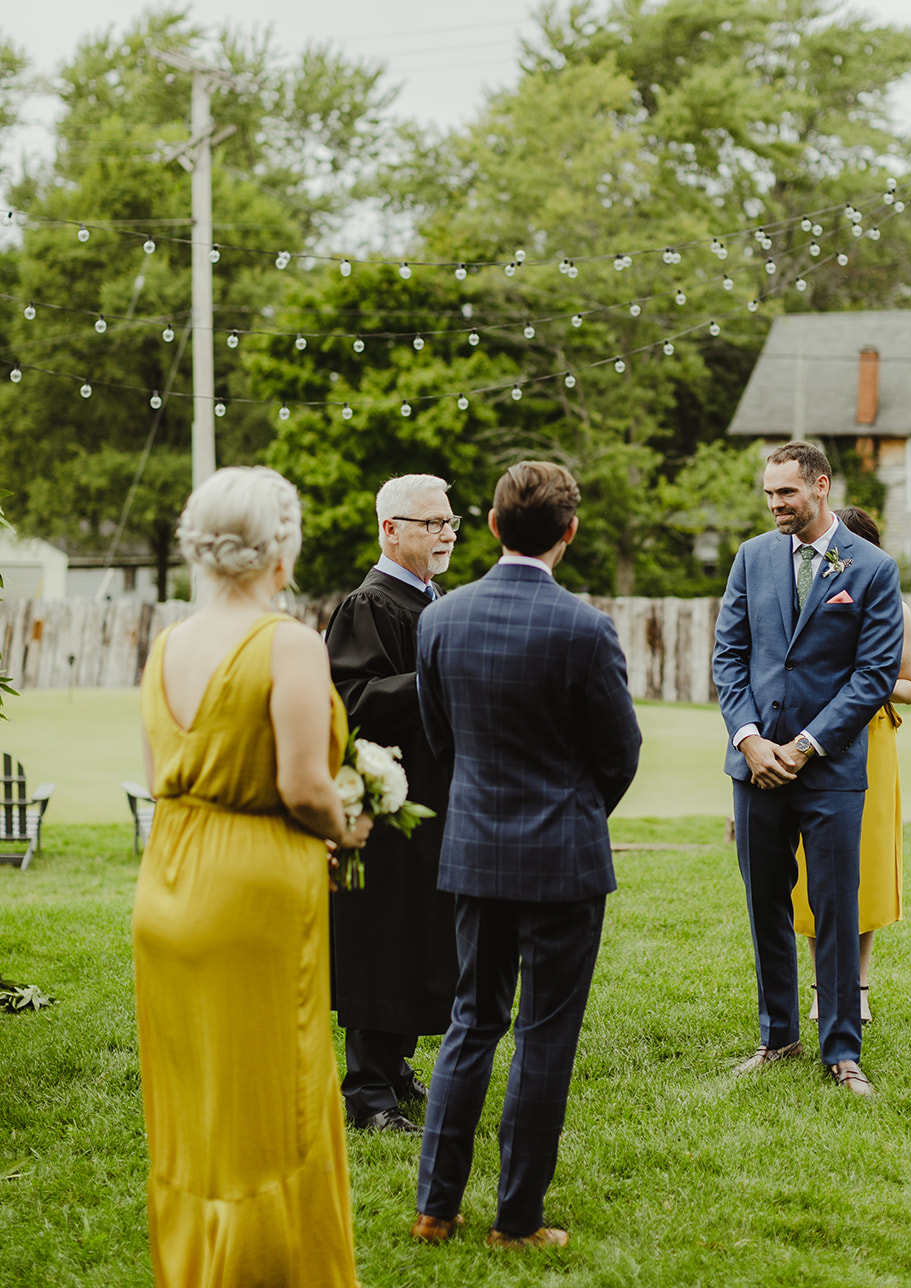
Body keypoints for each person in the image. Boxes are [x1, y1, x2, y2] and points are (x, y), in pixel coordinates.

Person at [132, 466, 369, 1288]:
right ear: (281, 547)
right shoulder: (287, 642)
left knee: (198, 1106)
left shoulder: (167, 645)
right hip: (251, 894)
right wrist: (350, 825)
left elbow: (166, 771)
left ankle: (199, 1266)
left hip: (167, 887)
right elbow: (304, 786)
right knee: (275, 1100)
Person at [410, 460, 642, 1249]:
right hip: (563, 861)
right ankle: (515, 1222)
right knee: (543, 1034)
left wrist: (482, 808)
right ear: (569, 534)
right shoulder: (584, 627)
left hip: (474, 851)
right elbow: (620, 753)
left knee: (470, 1023)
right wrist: (575, 813)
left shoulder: (440, 620)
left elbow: (441, 744)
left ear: (491, 527)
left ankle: (434, 1209)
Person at [712, 442, 903, 1098]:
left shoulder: (872, 569)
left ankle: (841, 1051)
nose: (773, 505)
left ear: (819, 486)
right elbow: (728, 655)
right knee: (764, 902)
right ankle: (777, 1036)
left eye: (785, 494)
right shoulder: (751, 557)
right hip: (755, 768)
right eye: (767, 494)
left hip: (828, 770)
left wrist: (803, 746)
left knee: (834, 907)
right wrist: (748, 741)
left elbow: (874, 675)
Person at [324, 473, 460, 1133]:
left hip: (439, 796)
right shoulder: (368, 606)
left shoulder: (440, 601)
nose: (444, 534)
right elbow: (348, 701)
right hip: (386, 802)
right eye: (430, 523)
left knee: (423, 936)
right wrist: (436, 675)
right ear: (390, 529)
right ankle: (367, 1090)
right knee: (383, 938)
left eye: (449, 523)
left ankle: (398, 1067)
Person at [793, 504, 911, 1024]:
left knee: (862, 869)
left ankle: (860, 985)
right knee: (809, 871)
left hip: (871, 739)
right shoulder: (808, 600)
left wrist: (862, 677)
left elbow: (910, 687)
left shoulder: (895, 606)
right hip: (810, 734)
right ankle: (823, 987)